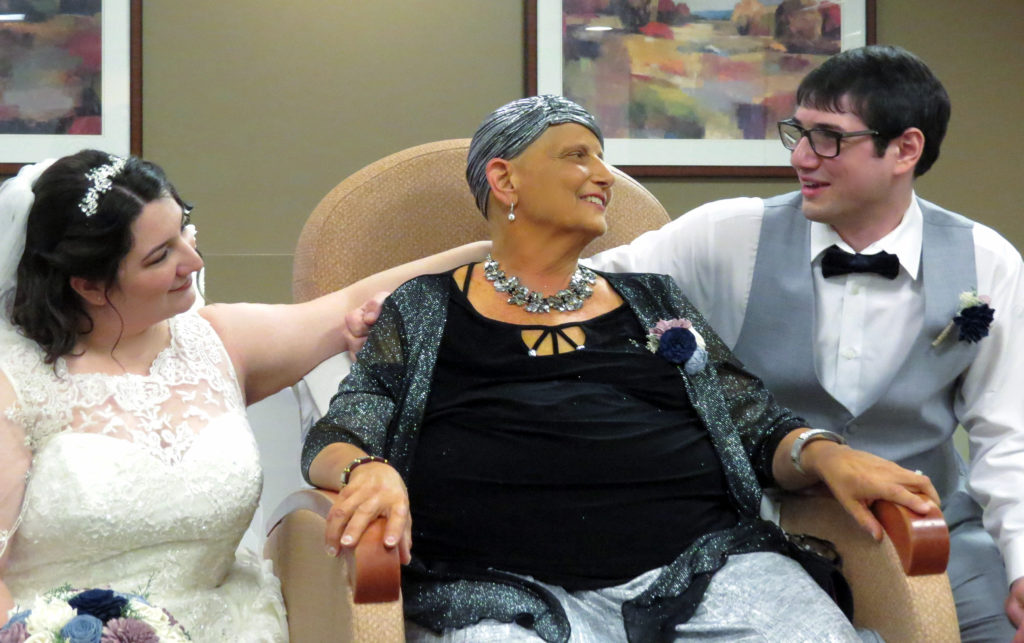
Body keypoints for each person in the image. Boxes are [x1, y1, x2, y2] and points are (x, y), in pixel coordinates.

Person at [304, 95, 937, 642]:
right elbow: (339, 433)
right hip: (499, 591)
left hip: (705, 570)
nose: (604, 175)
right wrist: (367, 468)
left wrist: (826, 455)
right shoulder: (423, 308)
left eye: (601, 158)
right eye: (577, 155)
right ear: (505, 179)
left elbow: (754, 422)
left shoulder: (654, 300)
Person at [582, 45, 1024, 642]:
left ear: (905, 149)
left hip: (932, 534)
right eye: (798, 131)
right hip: (756, 537)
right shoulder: (730, 234)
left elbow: (1009, 434)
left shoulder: (987, 261)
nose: (799, 156)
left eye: (828, 138)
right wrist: (444, 274)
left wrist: (1021, 568)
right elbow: (573, 283)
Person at [0, 150, 483, 639]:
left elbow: (350, 302)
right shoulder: (14, 384)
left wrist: (505, 250)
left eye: (183, 229)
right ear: (90, 285)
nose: (193, 259)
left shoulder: (220, 341)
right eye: (159, 255)